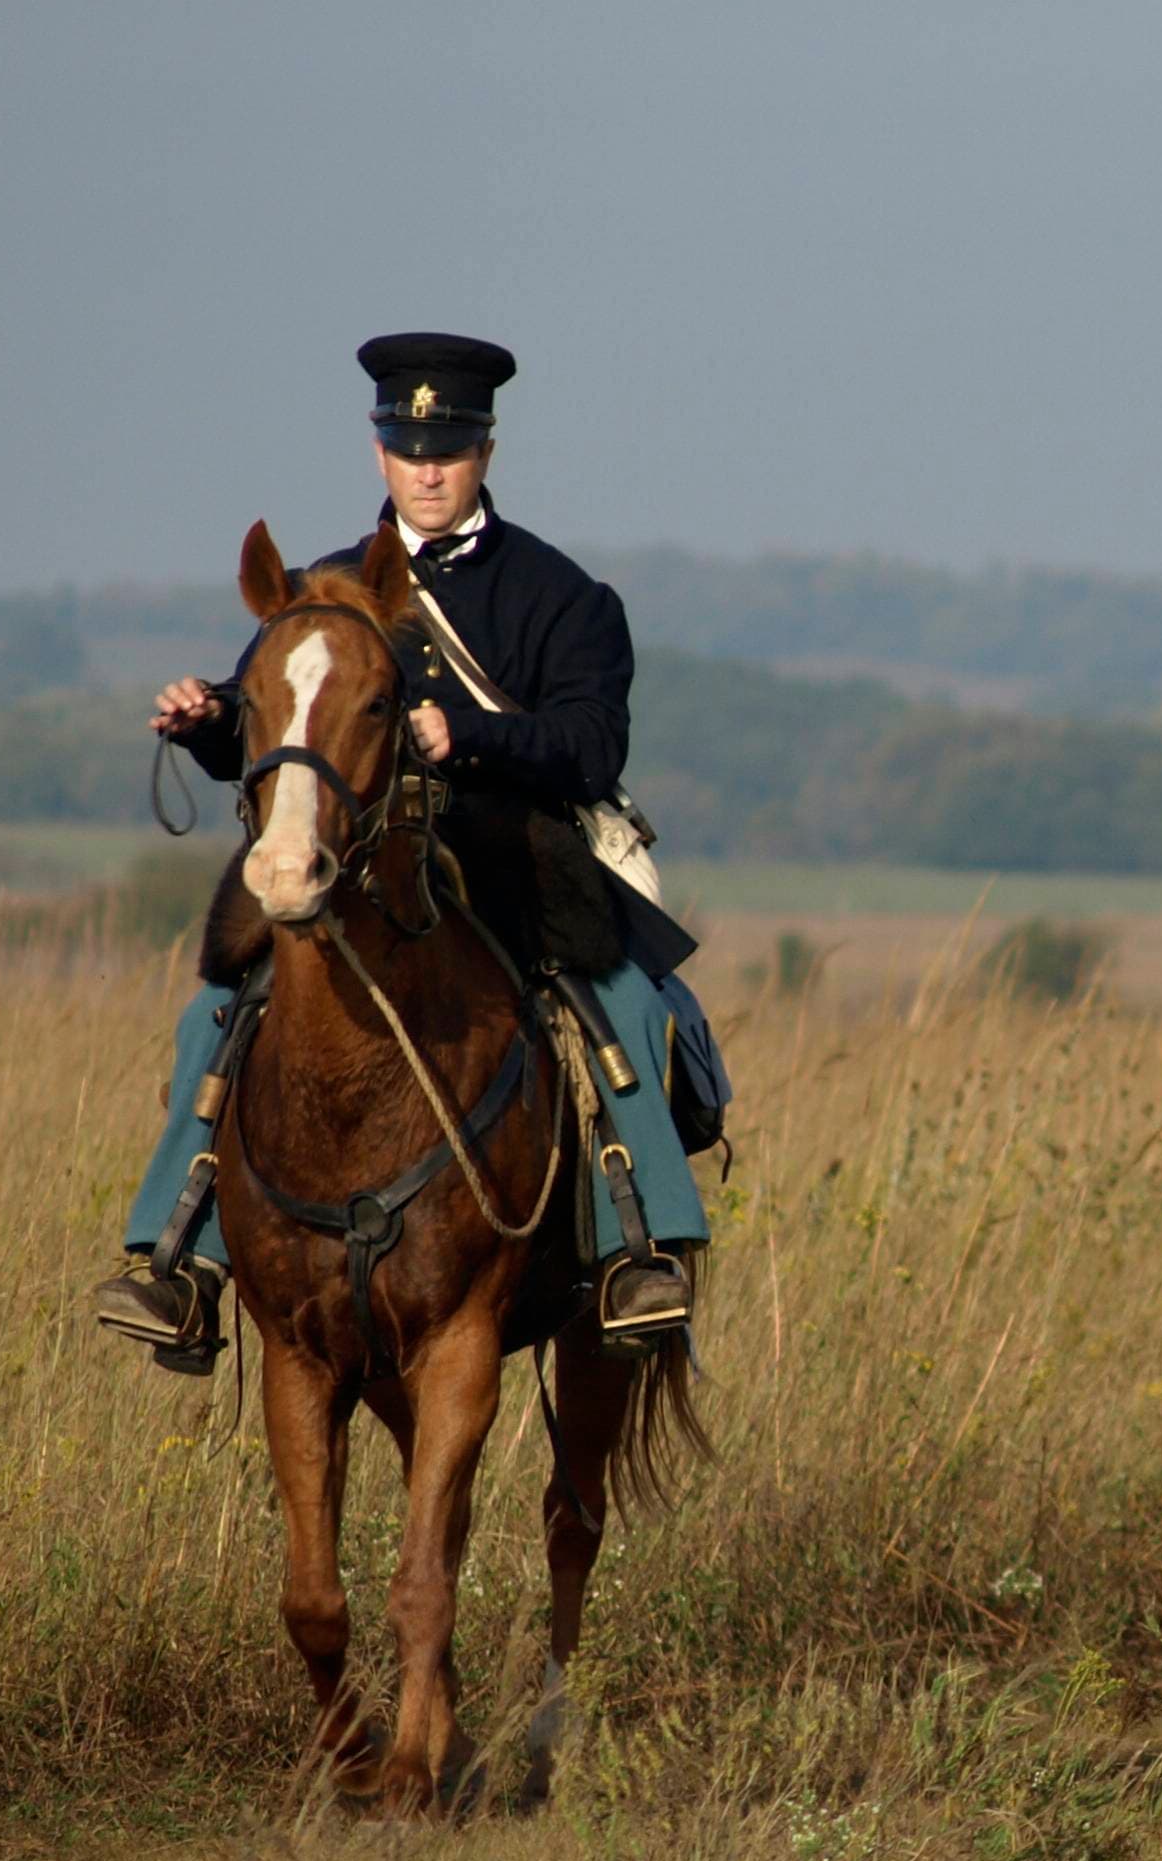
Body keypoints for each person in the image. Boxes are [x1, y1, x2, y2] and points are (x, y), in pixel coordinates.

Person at [90, 333, 714, 1371]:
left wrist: (470, 737)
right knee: (218, 1009)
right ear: (380, 451)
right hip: (353, 867)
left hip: (511, 851)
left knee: (630, 1006)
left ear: (486, 451)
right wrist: (206, 718)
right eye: (407, 444)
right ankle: (179, 1259)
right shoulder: (320, 590)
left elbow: (594, 746)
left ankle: (636, 1254)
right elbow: (274, 728)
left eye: (451, 445)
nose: (427, 466)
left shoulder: (562, 598)